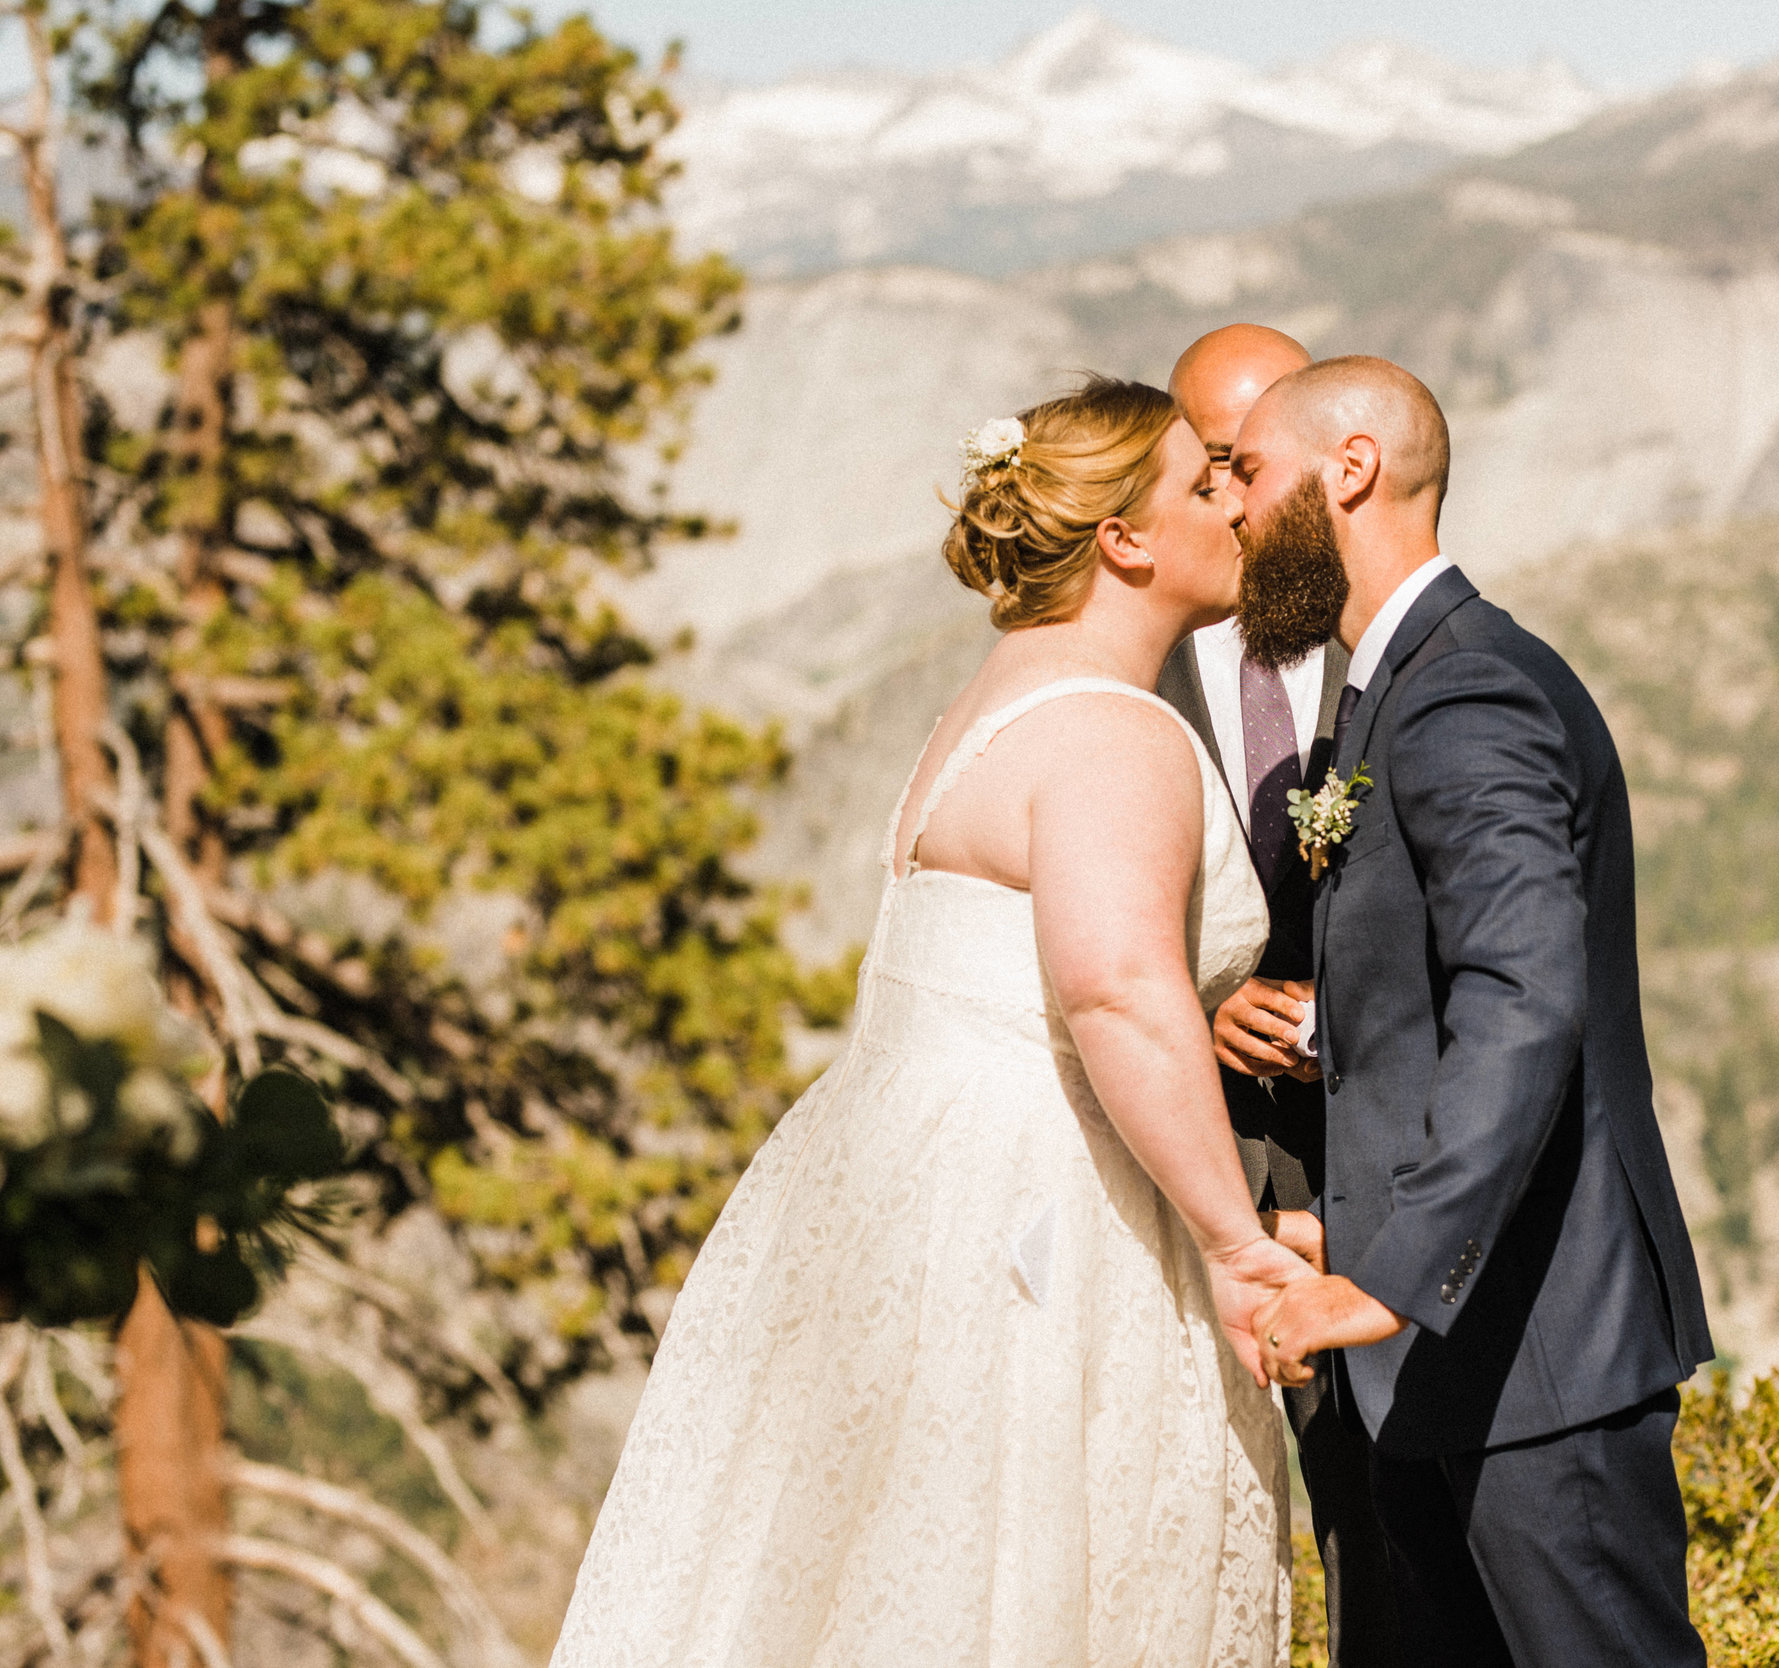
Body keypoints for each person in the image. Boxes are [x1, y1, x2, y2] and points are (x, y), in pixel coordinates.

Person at [548, 377, 1312, 1668]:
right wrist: (1237, 1248)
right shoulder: (1113, 730)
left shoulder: (989, 709)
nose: (1238, 503)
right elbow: (1117, 989)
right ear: (1123, 538)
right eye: (1203, 484)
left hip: (904, 1187)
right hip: (1039, 1224)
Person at [1234, 358, 1718, 1667]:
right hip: (1463, 1361)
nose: (1231, 512)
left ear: (1350, 468)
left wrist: (1386, 1282)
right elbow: (1445, 995)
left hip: (1535, 1353)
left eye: (1251, 474)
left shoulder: (1466, 691)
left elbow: (1527, 995)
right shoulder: (1397, 691)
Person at [1155, 323, 1398, 1665]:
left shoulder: (1391, 659)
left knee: (1379, 1518)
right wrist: (1197, 1015)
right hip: (1184, 1169)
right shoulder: (1134, 663)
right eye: (1219, 463)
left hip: (1365, 1172)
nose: (1242, 499)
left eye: (1260, 460)